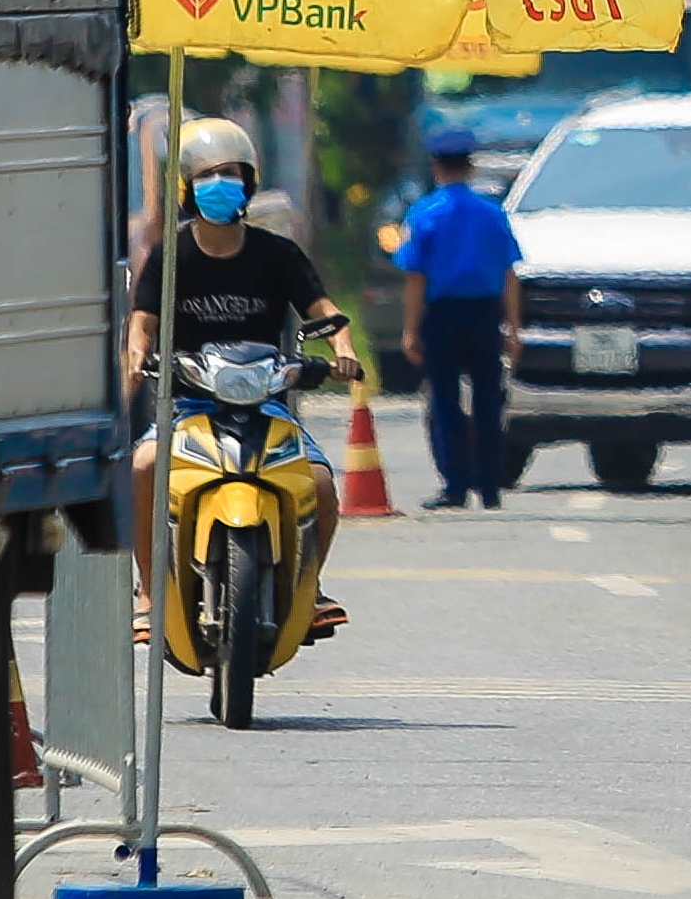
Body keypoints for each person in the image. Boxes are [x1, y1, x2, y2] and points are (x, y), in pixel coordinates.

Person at [129, 113, 360, 628]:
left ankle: (308, 587)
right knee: (143, 468)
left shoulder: (276, 254)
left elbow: (324, 310)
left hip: (268, 402)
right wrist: (136, 358)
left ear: (249, 182)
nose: (220, 185)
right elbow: (142, 322)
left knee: (320, 485)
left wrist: (343, 346)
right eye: (208, 175)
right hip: (189, 403)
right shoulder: (173, 256)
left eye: (231, 173)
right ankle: (147, 592)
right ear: (187, 186)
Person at [390, 114, 521, 508]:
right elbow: (509, 273)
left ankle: (455, 486)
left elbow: (416, 278)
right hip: (485, 316)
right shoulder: (492, 213)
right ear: (471, 165)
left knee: (444, 401)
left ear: (435, 166)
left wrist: (411, 329)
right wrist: (513, 326)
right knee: (487, 400)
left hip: (442, 316)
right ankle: (491, 486)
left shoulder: (424, 214)